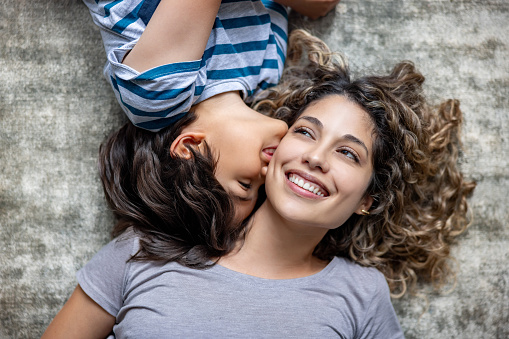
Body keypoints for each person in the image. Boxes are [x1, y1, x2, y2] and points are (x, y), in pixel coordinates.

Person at [42, 30, 475, 338]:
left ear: (367, 199)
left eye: (349, 153)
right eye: (305, 132)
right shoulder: (144, 249)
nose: (315, 157)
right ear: (274, 151)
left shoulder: (361, 294)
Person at [80, 0, 340, 221]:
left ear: (189, 147)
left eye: (245, 185)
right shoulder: (266, 76)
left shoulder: (159, 98)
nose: (268, 173)